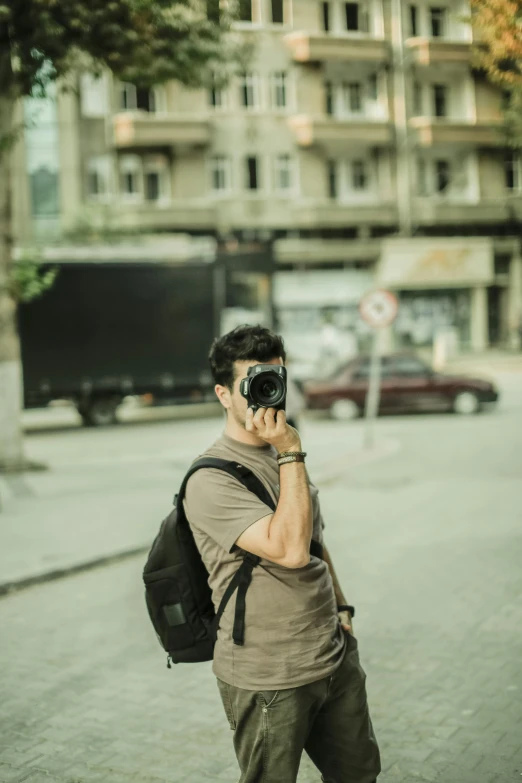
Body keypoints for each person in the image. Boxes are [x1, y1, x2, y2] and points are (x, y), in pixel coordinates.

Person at [183, 324, 381, 783]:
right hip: (269, 677)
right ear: (224, 394)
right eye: (252, 384)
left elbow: (313, 541)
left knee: (360, 774)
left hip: (332, 657)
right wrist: (291, 450)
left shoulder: (283, 458)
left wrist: (342, 606)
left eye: (276, 381)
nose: (267, 394)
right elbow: (289, 550)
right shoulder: (210, 479)